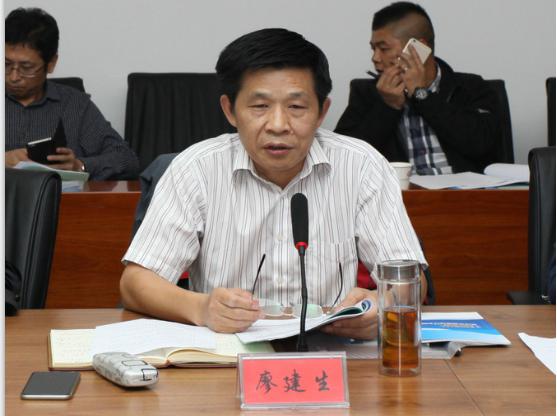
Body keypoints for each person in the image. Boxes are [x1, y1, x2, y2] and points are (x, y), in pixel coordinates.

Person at [120, 28, 427, 340]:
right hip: (227, 354)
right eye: (260, 106)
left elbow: (411, 280)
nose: (278, 125)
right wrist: (201, 307)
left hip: (332, 352)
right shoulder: (195, 169)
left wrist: (380, 304)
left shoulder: (362, 166)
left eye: (296, 107)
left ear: (322, 112)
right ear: (230, 110)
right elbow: (135, 283)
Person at [335, 2, 501, 174]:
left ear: (418, 48)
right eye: (373, 48)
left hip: (464, 189)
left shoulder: (470, 87)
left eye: (383, 48)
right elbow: (344, 158)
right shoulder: (366, 93)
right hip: (401, 189)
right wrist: (387, 107)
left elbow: (481, 145)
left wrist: (423, 96)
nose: (375, 58)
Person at [5, 8, 139, 180]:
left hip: (59, 197)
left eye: (27, 68)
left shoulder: (75, 106)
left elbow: (127, 160)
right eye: (6, 64)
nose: (14, 76)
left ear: (51, 63)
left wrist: (79, 166)